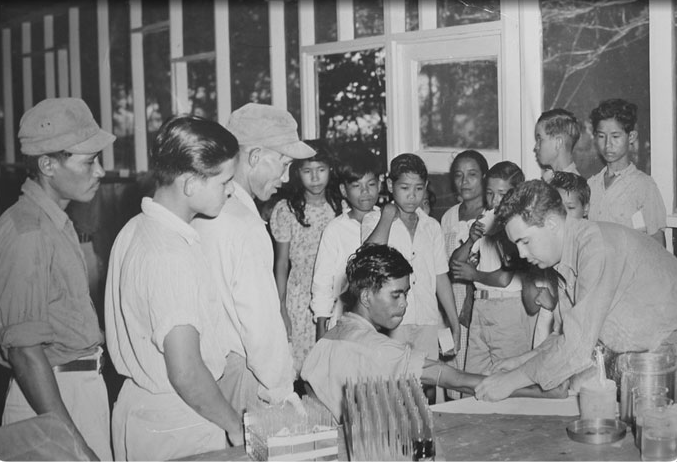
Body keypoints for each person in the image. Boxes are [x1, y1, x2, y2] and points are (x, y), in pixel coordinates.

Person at [105, 116, 243, 460]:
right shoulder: (169, 254)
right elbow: (185, 371)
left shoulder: (136, 228)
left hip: (145, 411)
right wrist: (235, 425)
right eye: (225, 181)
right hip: (179, 422)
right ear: (190, 183)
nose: (231, 190)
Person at [301, 243, 567, 420]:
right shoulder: (378, 350)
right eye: (396, 295)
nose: (405, 303)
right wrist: (542, 392)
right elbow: (456, 379)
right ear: (367, 296)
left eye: (406, 294)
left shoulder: (330, 337)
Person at [475, 180, 677, 402]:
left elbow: (578, 347)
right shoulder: (565, 256)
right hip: (647, 351)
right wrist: (521, 361)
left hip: (666, 350)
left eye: (525, 241)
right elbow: (565, 334)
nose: (521, 254)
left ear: (551, 224)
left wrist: (511, 380)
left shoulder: (595, 247)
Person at [0, 97, 115, 460]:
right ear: (47, 165)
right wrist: (75, 445)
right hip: (53, 399)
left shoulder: (57, 223)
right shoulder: (28, 232)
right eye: (88, 161)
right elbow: (24, 352)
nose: (99, 171)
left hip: (75, 390)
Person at [192, 103, 312, 414]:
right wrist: (283, 390)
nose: (286, 179)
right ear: (255, 156)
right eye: (283, 165)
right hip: (247, 375)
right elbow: (260, 325)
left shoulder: (207, 211)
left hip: (213, 372)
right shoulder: (242, 223)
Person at [362, 154, 461, 397]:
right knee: (393, 388)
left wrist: (454, 321)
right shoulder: (374, 219)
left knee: (425, 388)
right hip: (392, 321)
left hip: (427, 319)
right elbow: (367, 259)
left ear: (426, 188)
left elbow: (441, 277)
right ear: (390, 185)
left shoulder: (432, 226)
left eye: (418, 188)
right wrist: (387, 216)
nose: (411, 195)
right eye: (404, 188)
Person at [450, 161, 533, 375]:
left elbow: (505, 278)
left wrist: (474, 274)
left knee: (509, 379)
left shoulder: (518, 225)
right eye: (489, 193)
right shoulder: (485, 219)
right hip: (481, 306)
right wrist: (471, 240)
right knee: (474, 379)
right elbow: (455, 265)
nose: (495, 200)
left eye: (502, 194)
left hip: (508, 308)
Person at [271, 140, 343, 373]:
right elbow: (281, 264)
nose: (315, 178)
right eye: (307, 171)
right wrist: (281, 306)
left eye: (321, 170)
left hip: (334, 292)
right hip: (299, 296)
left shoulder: (339, 206)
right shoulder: (287, 209)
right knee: (298, 366)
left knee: (331, 365)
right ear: (297, 173)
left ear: (330, 170)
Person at [311, 147, 382, 340]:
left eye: (371, 184)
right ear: (343, 190)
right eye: (357, 186)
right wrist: (321, 327)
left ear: (380, 184)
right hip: (346, 321)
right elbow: (322, 283)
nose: (365, 192)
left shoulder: (388, 222)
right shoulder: (335, 230)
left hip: (383, 321)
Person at [521, 172, 590, 349]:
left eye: (571, 208)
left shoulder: (589, 250)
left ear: (586, 209)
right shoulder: (548, 248)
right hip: (551, 331)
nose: (564, 216)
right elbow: (531, 304)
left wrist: (553, 304)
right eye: (559, 209)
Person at [587, 98, 666, 246]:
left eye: (615, 136)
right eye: (601, 136)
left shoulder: (644, 186)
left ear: (631, 137)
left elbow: (657, 243)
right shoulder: (591, 185)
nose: (608, 144)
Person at [440, 150, 489, 380]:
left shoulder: (492, 215)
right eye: (459, 175)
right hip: (451, 301)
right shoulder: (449, 217)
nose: (464, 181)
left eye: (472, 174)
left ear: (484, 177)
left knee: (478, 371)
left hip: (479, 302)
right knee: (454, 370)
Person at [533, 108, 581, 182]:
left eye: (540, 139)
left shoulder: (572, 188)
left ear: (558, 143)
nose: (536, 147)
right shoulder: (549, 180)